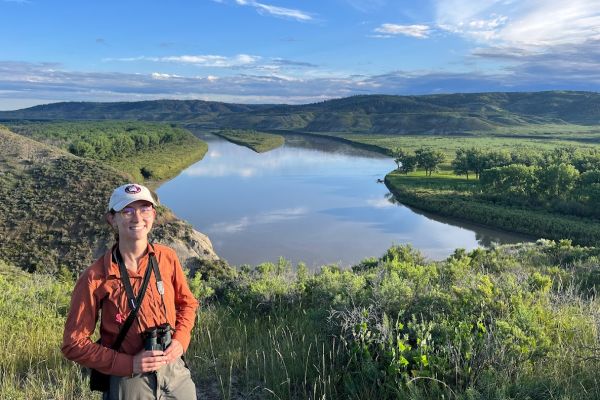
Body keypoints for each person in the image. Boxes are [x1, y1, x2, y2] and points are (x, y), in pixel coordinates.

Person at [62, 183, 199, 399]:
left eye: (144, 209)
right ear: (112, 219)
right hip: (129, 381)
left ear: (153, 214)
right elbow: (74, 344)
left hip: (175, 372)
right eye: (127, 211)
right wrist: (128, 363)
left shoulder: (167, 258)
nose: (137, 218)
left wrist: (180, 340)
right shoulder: (95, 277)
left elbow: (187, 304)